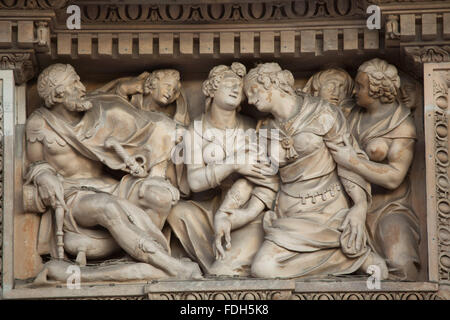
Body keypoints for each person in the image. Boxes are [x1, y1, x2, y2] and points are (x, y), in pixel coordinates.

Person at [24, 63, 201, 282]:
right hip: (73, 196)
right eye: (74, 83)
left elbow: (119, 102)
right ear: (59, 94)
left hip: (111, 186)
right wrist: (43, 175)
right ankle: (170, 265)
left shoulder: (93, 108)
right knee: (107, 207)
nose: (82, 87)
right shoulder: (38, 123)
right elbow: (35, 164)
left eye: (79, 80)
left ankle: (135, 255)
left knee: (160, 195)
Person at [243, 62, 388, 279]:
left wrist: (359, 207)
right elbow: (263, 179)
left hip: (330, 209)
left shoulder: (323, 112)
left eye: (253, 91)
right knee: (262, 269)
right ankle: (347, 258)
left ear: (271, 83)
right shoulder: (264, 130)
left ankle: (354, 256)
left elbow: (348, 162)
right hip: (290, 214)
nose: (251, 100)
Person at [167, 63, 279, 276]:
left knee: (225, 272)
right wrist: (234, 163)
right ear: (210, 90)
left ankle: (224, 264)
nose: (236, 89)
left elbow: (266, 177)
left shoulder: (252, 126)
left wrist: (235, 212)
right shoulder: (196, 131)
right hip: (212, 208)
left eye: (239, 86)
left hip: (248, 207)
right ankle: (209, 262)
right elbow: (195, 183)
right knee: (178, 212)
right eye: (229, 84)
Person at [327, 58, 420, 280]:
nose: (354, 91)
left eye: (360, 86)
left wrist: (352, 161)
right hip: (344, 202)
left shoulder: (402, 125)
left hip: (386, 207)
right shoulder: (351, 112)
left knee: (403, 267)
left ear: (378, 90)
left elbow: (394, 177)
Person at [91, 69, 190, 126]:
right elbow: (107, 106)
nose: (170, 93)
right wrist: (122, 90)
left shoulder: (168, 116)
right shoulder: (133, 90)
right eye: (167, 86)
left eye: (174, 90)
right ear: (154, 82)